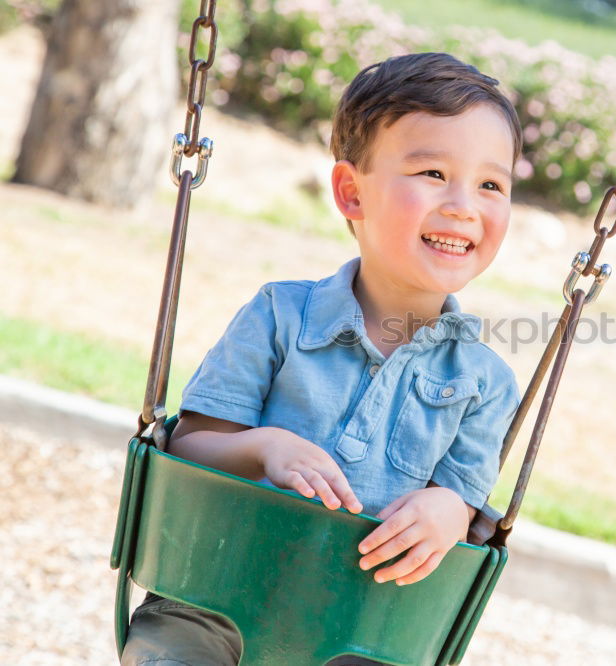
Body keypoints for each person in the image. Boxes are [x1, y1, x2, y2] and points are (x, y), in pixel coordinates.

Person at [122, 51, 523, 665]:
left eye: (491, 184)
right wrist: (265, 446)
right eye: (433, 173)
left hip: (360, 634)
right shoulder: (280, 316)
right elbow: (189, 445)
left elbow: (465, 507)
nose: (464, 205)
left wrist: (448, 509)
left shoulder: (485, 383)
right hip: (208, 603)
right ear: (351, 192)